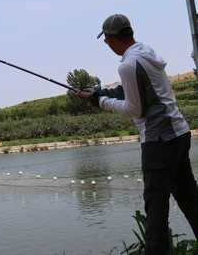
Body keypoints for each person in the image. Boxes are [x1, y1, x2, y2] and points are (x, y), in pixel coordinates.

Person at [76, 14, 198, 254]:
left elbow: (134, 109)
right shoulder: (144, 52)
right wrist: (100, 92)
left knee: (155, 209)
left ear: (111, 39)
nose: (106, 44)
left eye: (105, 40)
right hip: (179, 133)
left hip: (159, 141)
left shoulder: (127, 65)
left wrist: (99, 102)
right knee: (189, 198)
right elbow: (137, 90)